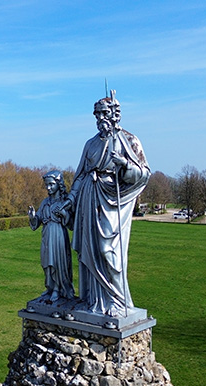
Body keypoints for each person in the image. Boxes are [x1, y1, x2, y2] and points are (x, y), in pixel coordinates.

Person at [56, 92, 150, 316]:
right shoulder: (90, 144)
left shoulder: (129, 140)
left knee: (108, 250)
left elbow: (144, 174)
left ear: (114, 114)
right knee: (89, 250)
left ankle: (117, 301)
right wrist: (70, 199)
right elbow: (81, 175)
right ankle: (92, 300)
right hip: (89, 198)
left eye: (104, 113)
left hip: (112, 201)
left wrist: (124, 164)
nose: (100, 118)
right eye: (96, 114)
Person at [28, 170, 76, 302]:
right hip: (46, 235)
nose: (48, 188)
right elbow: (37, 221)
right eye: (46, 185)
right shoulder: (45, 202)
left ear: (58, 184)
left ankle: (58, 288)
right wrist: (32, 217)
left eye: (51, 184)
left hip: (58, 235)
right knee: (46, 262)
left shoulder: (65, 202)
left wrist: (64, 214)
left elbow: (72, 224)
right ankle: (50, 287)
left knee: (57, 262)